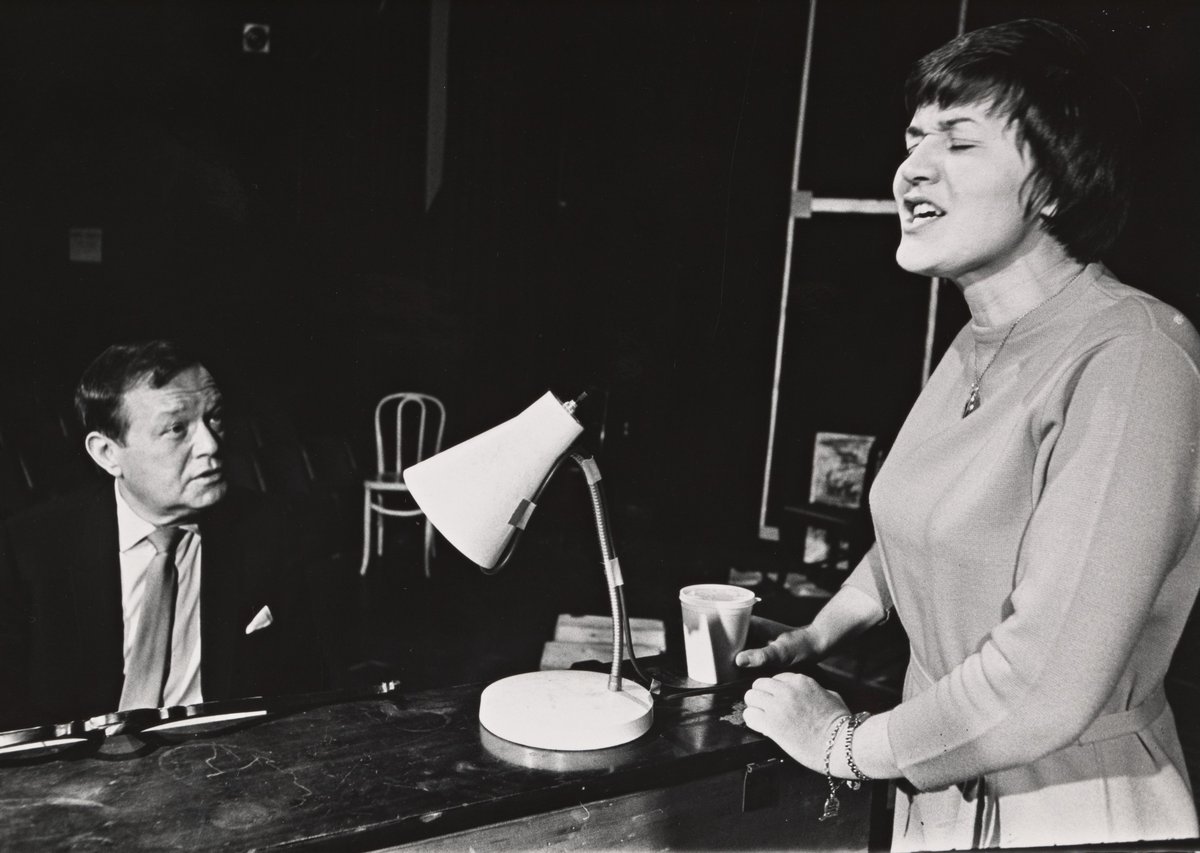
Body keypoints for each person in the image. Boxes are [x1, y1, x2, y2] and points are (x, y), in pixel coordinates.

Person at [737, 18, 1200, 851]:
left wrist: (844, 743)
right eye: (913, 139)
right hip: (942, 801)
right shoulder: (977, 341)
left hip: (1076, 813)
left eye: (958, 140)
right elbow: (929, 515)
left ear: (1056, 183)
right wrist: (824, 627)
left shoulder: (1134, 355)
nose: (912, 167)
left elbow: (1044, 686)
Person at [0, 340, 327, 730]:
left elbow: (304, 690)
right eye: (176, 428)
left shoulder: (269, 527)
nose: (211, 445)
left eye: (215, 417)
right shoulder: (28, 549)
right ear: (107, 453)